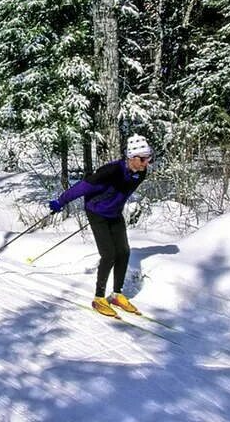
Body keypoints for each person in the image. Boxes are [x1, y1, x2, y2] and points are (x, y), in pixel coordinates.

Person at [49, 134, 152, 317]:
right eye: (143, 158)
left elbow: (121, 191)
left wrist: (113, 203)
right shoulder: (110, 171)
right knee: (109, 254)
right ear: (131, 157)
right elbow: (82, 187)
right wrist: (61, 201)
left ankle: (117, 294)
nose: (146, 162)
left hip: (115, 213)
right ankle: (99, 298)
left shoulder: (141, 173)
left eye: (148, 158)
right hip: (96, 212)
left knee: (124, 252)